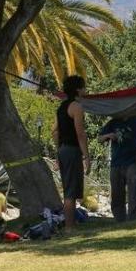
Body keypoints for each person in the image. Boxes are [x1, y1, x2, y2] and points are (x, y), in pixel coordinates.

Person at [53, 74, 89, 230]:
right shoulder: (76, 107)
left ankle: (70, 224)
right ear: (78, 89)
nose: (85, 90)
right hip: (72, 150)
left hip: (62, 150)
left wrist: (58, 151)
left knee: (69, 188)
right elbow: (80, 134)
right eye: (83, 87)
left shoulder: (61, 107)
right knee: (71, 191)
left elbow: (54, 131)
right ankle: (69, 227)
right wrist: (86, 156)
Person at [98, 114, 136, 222]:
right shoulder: (113, 122)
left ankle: (133, 220)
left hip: (134, 161)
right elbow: (99, 139)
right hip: (116, 162)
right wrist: (108, 135)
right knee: (117, 192)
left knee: (134, 190)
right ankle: (119, 219)